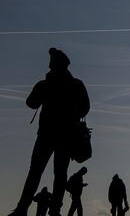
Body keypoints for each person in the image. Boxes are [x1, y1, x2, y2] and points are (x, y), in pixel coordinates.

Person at [8, 48, 90, 216]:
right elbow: (85, 108)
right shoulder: (75, 84)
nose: (50, 66)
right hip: (62, 136)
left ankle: (23, 209)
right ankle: (52, 211)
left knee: (36, 172)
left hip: (49, 135)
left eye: (52, 63)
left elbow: (31, 103)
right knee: (58, 174)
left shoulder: (47, 84)